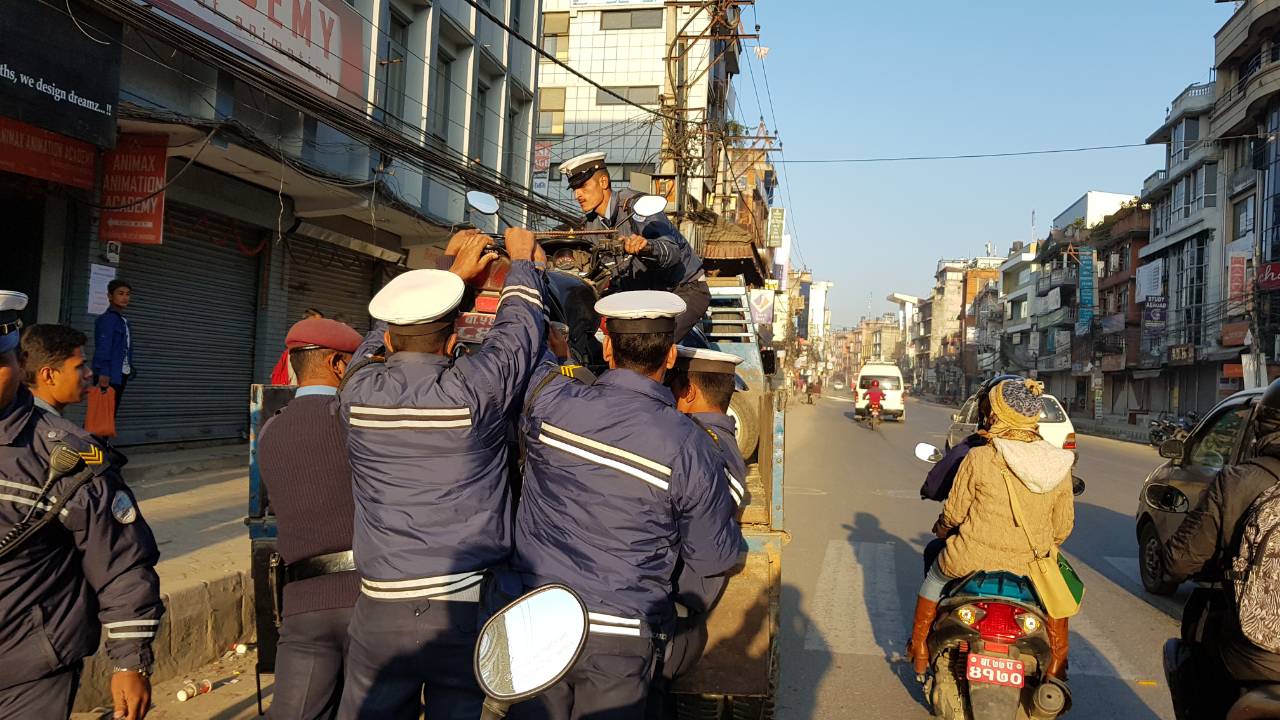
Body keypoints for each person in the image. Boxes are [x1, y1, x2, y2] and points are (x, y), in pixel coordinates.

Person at [336, 229, 546, 720]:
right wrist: (521, 261)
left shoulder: (357, 395)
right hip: (465, 610)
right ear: (454, 340)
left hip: (379, 610)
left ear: (388, 339)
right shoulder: (476, 393)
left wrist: (453, 277)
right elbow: (519, 333)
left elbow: (374, 343)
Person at [511, 290, 744, 720]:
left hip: (534, 620)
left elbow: (523, 355)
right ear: (671, 356)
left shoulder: (550, 401)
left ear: (607, 347)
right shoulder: (689, 445)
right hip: (621, 641)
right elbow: (714, 556)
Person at [0, 291, 163, 720]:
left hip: (28, 668)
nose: (88, 374)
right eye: (80, 366)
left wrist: (129, 660)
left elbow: (122, 561)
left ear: (18, 364)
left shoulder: (68, 457)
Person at [906, 379, 1074, 680]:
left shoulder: (980, 456)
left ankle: (919, 649)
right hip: (1032, 567)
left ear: (997, 414)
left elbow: (954, 513)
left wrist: (945, 529)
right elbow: (1062, 528)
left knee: (934, 578)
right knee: (1058, 601)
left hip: (970, 559)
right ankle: (1057, 670)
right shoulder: (1060, 463)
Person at [257, 317, 363, 720]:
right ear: (338, 364)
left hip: (302, 606)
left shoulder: (271, 430)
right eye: (357, 363)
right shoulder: (358, 421)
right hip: (365, 598)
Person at [1162, 377, 1280, 718]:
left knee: (1195, 652)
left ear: (1262, 426)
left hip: (1253, 656)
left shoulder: (1237, 481)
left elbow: (1177, 562)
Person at [659, 346, 750, 691]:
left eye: (671, 386)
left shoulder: (703, 447)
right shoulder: (715, 442)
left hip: (675, 616)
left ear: (688, 392)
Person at [559, 152, 710, 341]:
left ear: (603, 182)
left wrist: (647, 247)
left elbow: (671, 251)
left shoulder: (635, 207)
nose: (577, 194)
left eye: (583, 186)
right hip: (644, 298)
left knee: (653, 349)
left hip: (684, 289)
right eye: (574, 189)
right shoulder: (591, 226)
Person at [21, 324, 93, 416]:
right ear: (49, 376)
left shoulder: (18, 414)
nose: (89, 373)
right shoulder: (41, 426)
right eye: (79, 366)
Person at [93, 279, 134, 413]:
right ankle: (90, 435)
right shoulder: (106, 320)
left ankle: (97, 435)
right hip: (109, 375)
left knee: (108, 413)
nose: (125, 297)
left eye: (127, 294)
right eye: (120, 293)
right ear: (110, 296)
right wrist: (103, 373)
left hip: (121, 373)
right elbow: (103, 348)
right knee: (101, 414)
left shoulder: (123, 321)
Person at [270, 308, 325, 385]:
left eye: (322, 324)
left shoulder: (324, 349)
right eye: (317, 324)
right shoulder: (291, 351)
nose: (321, 328)